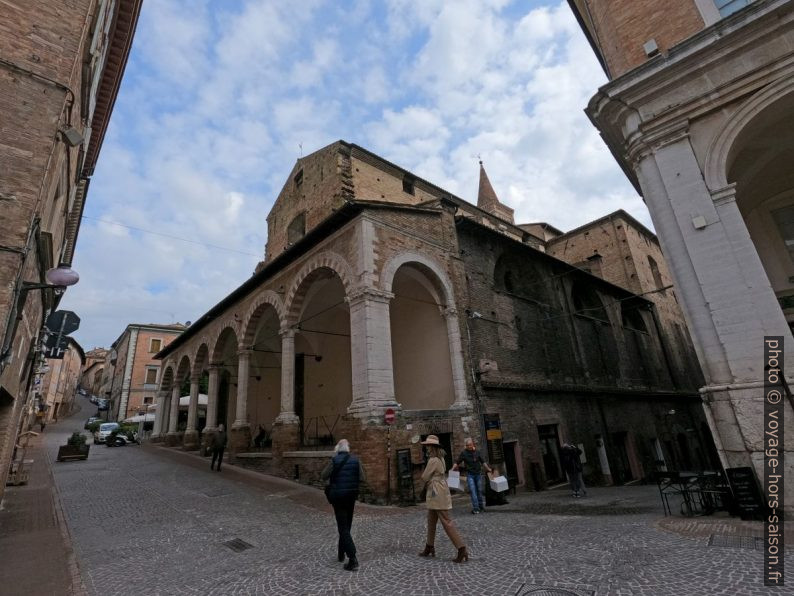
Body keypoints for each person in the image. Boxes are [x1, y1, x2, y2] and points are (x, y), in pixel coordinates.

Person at [418, 435, 468, 563]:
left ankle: (461, 548)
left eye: (428, 445)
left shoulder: (433, 460)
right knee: (431, 520)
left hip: (437, 492)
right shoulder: (440, 458)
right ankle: (429, 546)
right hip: (438, 490)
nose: (426, 448)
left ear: (432, 447)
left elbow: (424, 477)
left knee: (446, 521)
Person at [321, 439, 366, 571]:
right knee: (347, 526)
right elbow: (363, 478)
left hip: (338, 497)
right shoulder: (356, 460)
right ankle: (341, 553)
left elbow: (324, 475)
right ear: (348, 448)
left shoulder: (334, 460)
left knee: (343, 527)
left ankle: (352, 558)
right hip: (351, 497)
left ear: (338, 449)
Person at [452, 437, 493, 514]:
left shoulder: (477, 452)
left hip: (478, 474)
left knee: (479, 491)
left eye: (470, 445)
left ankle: (481, 507)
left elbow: (482, 462)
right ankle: (476, 508)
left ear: (473, 444)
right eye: (467, 445)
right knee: (473, 491)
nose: (469, 446)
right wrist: (452, 468)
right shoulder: (464, 453)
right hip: (470, 475)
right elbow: (457, 462)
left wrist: (488, 469)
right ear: (466, 446)